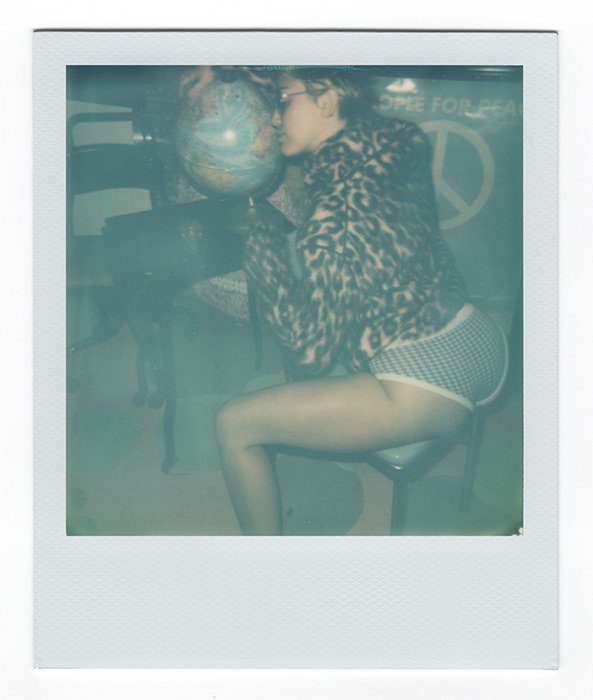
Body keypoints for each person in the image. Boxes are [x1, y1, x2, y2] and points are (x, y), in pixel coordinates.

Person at [214, 67, 508, 535]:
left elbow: (310, 353)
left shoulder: (331, 226)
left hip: (424, 384)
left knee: (233, 424)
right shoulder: (402, 139)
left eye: (284, 100)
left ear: (328, 99)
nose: (273, 118)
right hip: (480, 340)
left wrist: (264, 251)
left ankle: (263, 566)